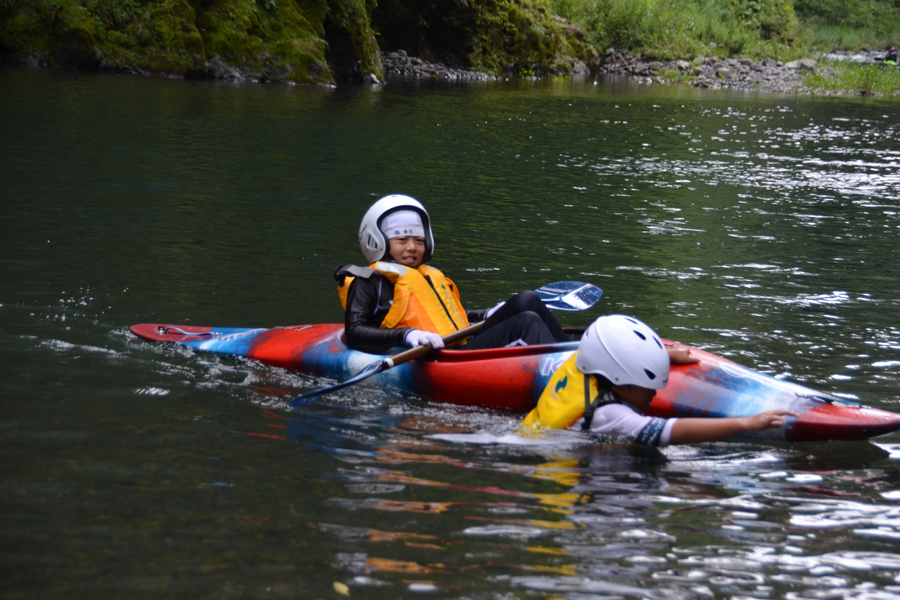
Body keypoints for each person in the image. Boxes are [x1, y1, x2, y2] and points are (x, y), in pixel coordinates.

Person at [334, 194, 571, 355]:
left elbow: (447, 319)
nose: (412, 247)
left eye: (418, 240)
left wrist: (486, 313)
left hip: (459, 345)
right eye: (402, 240)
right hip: (437, 357)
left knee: (526, 300)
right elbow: (354, 332)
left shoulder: (428, 275)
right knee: (527, 322)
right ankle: (568, 376)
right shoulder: (368, 280)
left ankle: (574, 357)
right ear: (377, 240)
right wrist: (407, 335)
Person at [520, 314, 797, 446]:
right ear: (618, 383)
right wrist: (748, 423)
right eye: (647, 382)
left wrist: (665, 355)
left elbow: (615, 353)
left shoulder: (582, 362)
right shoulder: (610, 415)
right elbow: (670, 431)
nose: (656, 390)